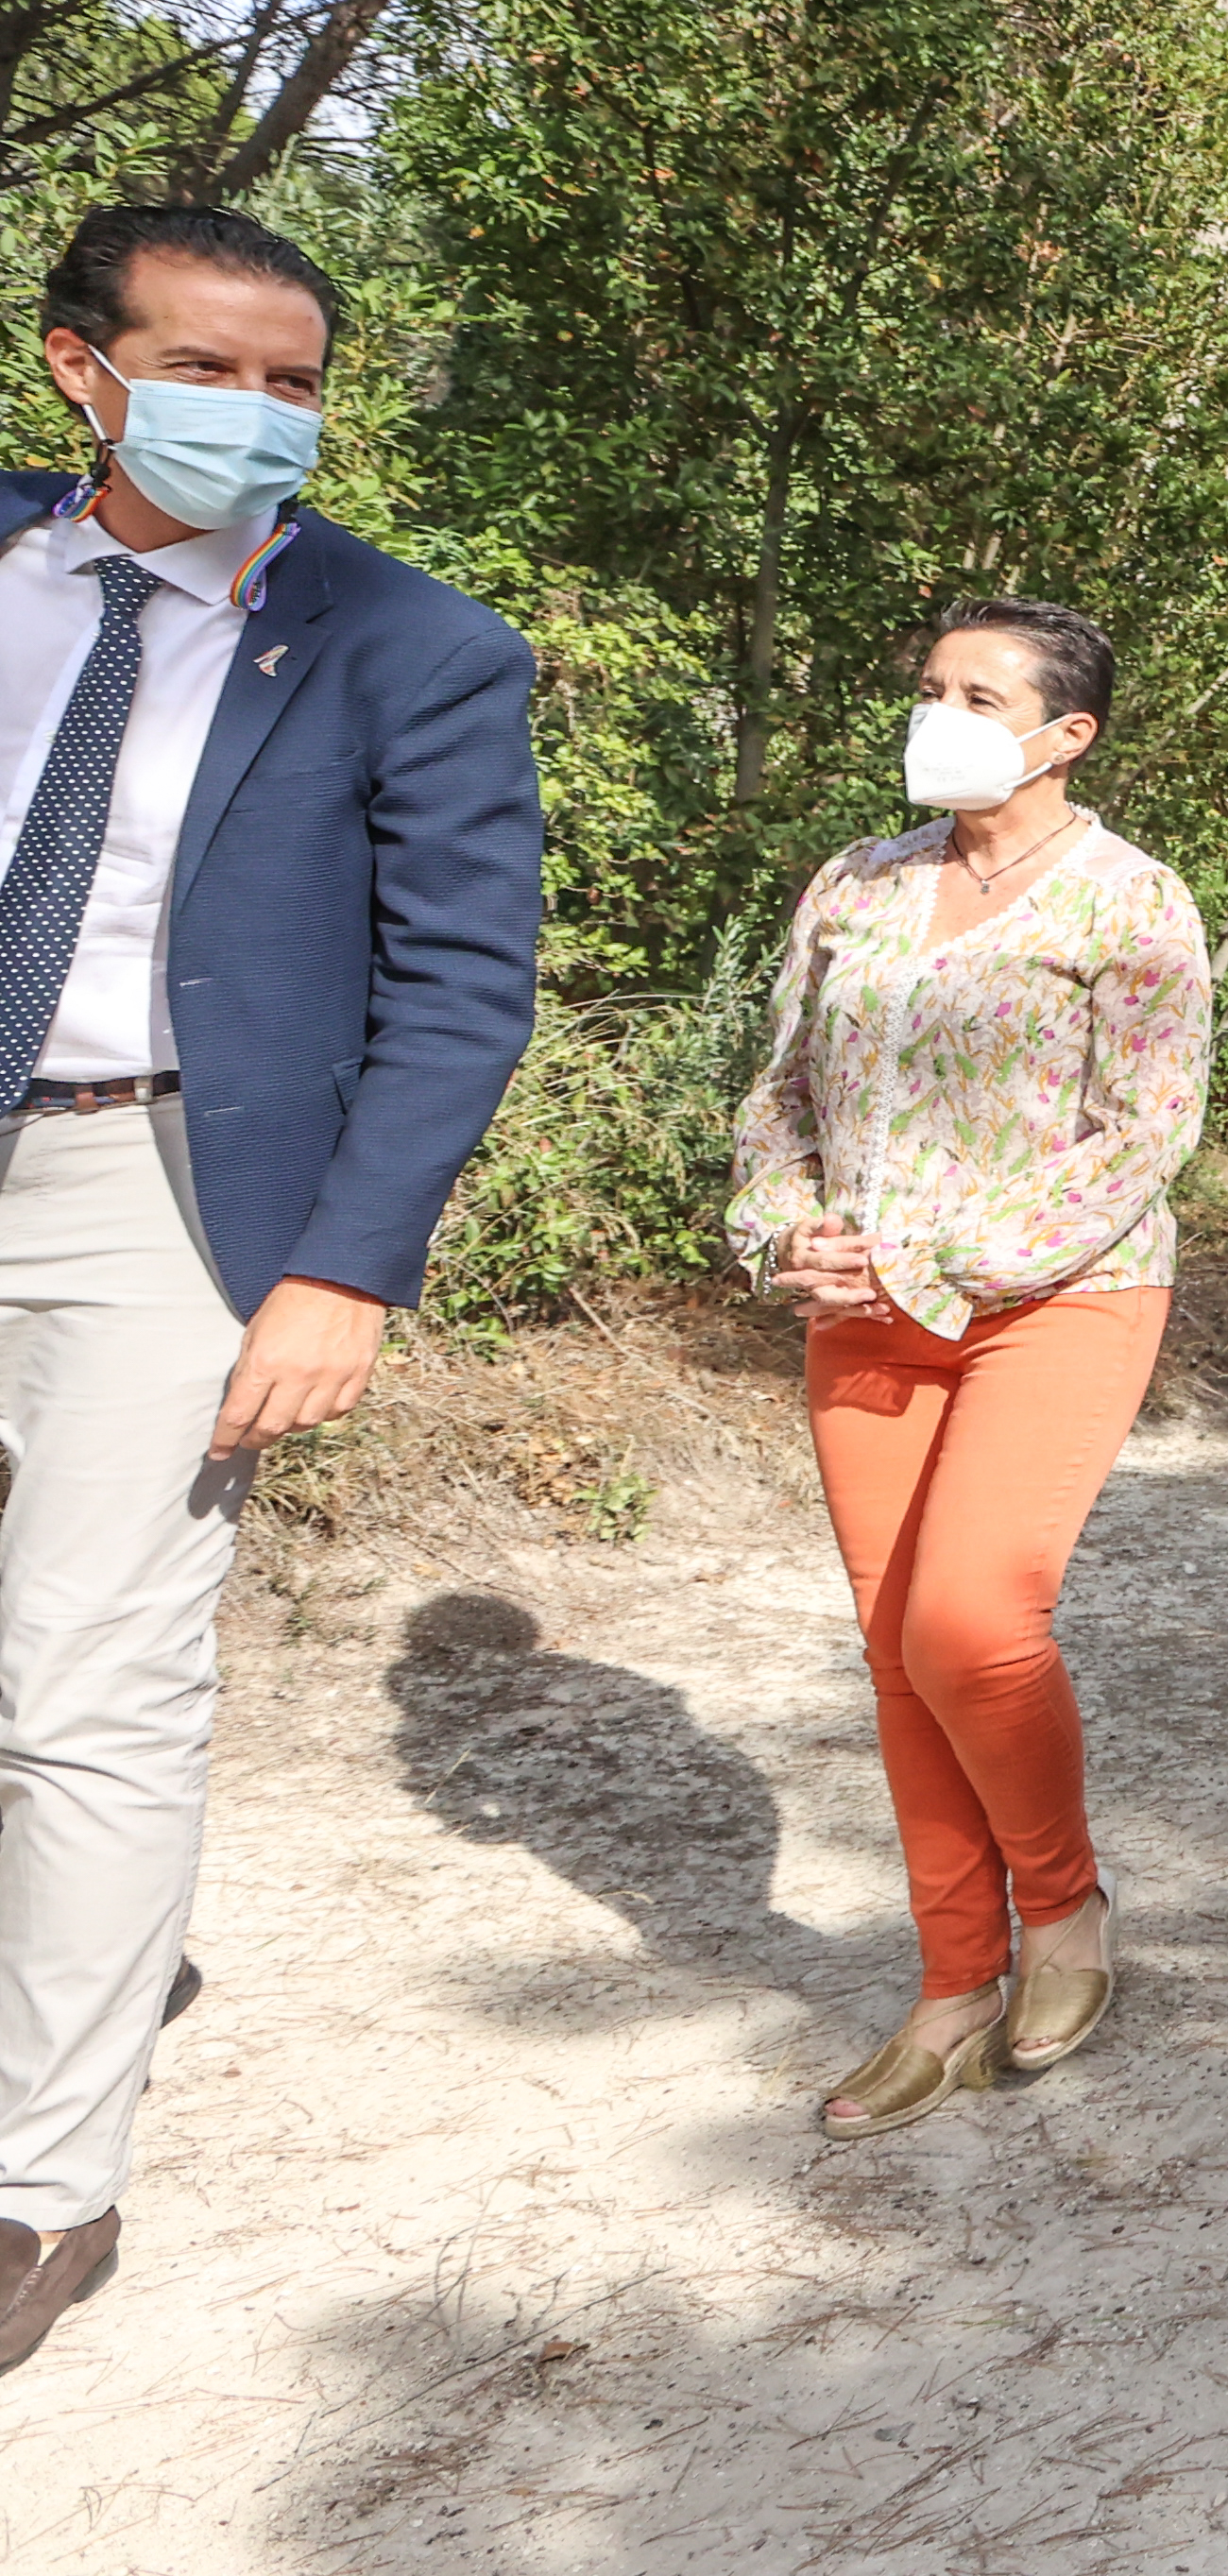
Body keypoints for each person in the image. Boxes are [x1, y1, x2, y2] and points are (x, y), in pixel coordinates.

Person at [0, 206, 540, 2375]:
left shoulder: (408, 643)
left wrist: (344, 1268)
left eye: (297, 379)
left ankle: (46, 2182)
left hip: (166, 1189)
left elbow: (460, 987)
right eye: (213, 366)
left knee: (86, 1687)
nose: (260, 414)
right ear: (81, 371)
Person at [732, 598, 1214, 2139]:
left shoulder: (1132, 900)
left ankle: (1062, 1909)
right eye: (929, 681)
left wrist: (938, 1253)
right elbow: (783, 1087)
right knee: (894, 1653)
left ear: (1067, 733)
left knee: (968, 1621)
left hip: (1058, 1295)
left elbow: (1145, 1132)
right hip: (859, 1307)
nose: (937, 708)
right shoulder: (853, 882)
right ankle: (951, 1983)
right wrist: (784, 1229)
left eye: (979, 692)